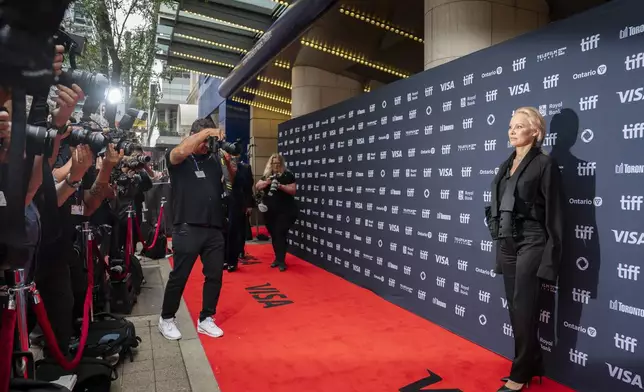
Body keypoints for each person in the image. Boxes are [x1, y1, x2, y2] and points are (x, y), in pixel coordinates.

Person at [486, 107, 565, 392]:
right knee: (514, 308)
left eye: (519, 126)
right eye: (510, 126)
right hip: (507, 242)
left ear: (535, 131)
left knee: (523, 308)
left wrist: (550, 261)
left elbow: (554, 214)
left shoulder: (545, 164)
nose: (512, 130)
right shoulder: (505, 165)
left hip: (532, 241)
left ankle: (519, 374)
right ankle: (531, 364)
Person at [158, 117, 236, 340]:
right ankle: (166, 318)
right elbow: (179, 153)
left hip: (214, 228)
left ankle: (206, 319)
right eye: (204, 139)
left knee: (214, 275)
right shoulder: (179, 157)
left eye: (209, 140)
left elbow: (230, 180)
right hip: (187, 226)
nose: (206, 144)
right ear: (193, 136)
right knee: (179, 276)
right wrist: (208, 132)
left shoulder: (213, 160)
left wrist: (229, 163)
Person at [255, 153, 297, 272]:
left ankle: (281, 260)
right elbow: (258, 186)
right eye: (274, 163)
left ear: (282, 163)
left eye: (278, 163)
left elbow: (293, 190)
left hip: (285, 211)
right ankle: (277, 258)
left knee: (280, 233)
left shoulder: (288, 174)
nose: (276, 165)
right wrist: (268, 182)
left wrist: (280, 186)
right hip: (270, 211)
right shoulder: (267, 175)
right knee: (274, 234)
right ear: (270, 163)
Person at [225, 150, 254, 272]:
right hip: (222, 202)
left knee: (235, 232)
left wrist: (249, 205)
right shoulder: (219, 166)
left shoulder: (245, 168)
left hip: (237, 203)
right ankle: (224, 260)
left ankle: (233, 261)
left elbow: (248, 188)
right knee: (222, 232)